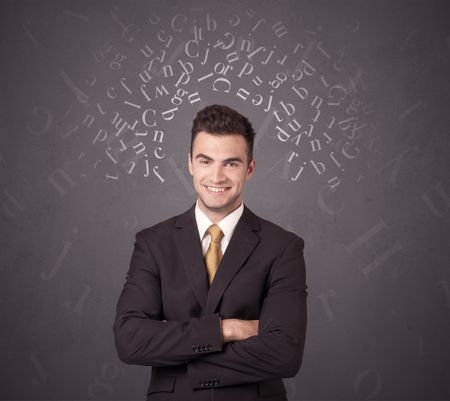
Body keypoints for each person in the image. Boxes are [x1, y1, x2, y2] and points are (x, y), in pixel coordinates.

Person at [113, 104, 307, 401]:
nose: (216, 177)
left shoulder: (283, 247)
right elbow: (130, 340)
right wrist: (223, 330)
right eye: (206, 161)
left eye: (231, 163)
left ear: (250, 168)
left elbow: (285, 353)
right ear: (190, 163)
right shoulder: (153, 243)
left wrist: (182, 361)